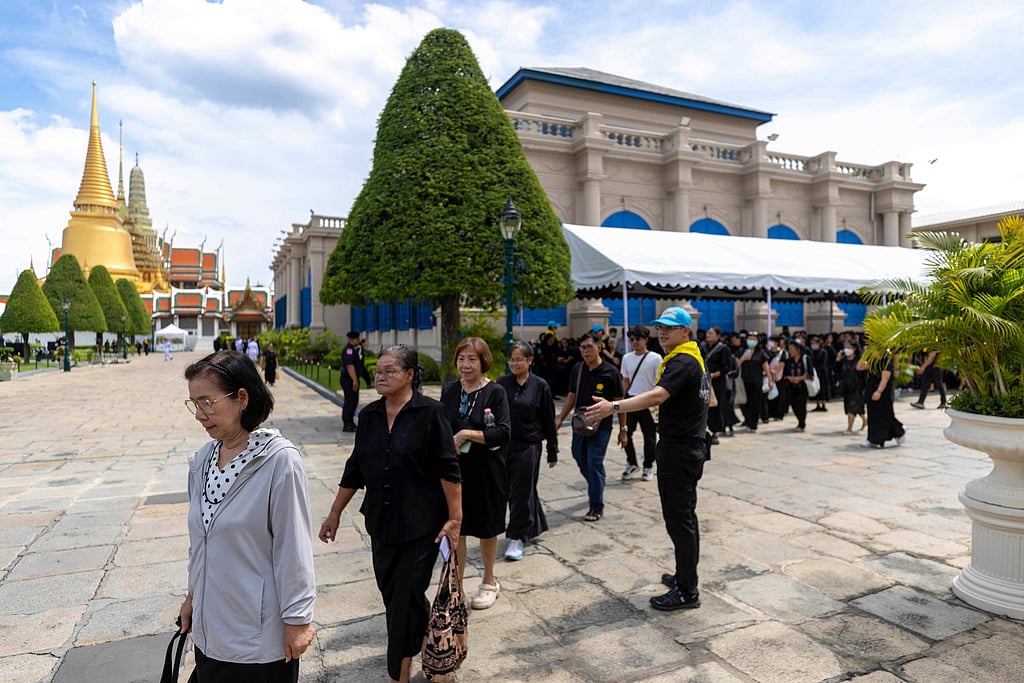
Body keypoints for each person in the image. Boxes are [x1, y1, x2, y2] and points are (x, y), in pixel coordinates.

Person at [319, 345, 462, 683]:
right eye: (378, 371)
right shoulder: (369, 415)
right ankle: (433, 644)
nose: (380, 376)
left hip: (421, 525)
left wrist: (455, 519)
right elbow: (355, 467)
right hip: (381, 523)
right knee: (394, 595)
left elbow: (448, 468)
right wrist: (334, 513)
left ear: (410, 375)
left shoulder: (431, 413)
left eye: (389, 371)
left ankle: (399, 672)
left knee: (403, 600)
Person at [179, 350, 316, 681]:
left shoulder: (279, 462)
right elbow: (201, 542)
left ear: (242, 397)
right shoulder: (204, 459)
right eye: (194, 404)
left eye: (207, 402)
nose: (199, 415)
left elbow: (293, 548)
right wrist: (192, 597)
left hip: (256, 638)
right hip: (210, 632)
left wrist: (298, 620)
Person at [584, 307, 710, 611]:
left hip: (681, 449)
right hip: (685, 446)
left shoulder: (682, 361)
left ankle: (687, 591)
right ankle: (684, 576)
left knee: (679, 520)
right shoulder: (688, 357)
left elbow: (656, 396)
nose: (662, 332)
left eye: (669, 327)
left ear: (685, 331)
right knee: (683, 517)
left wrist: (613, 407)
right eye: (660, 327)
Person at [440, 337, 510, 610]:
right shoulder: (450, 390)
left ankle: (489, 582)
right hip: (455, 471)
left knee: (486, 528)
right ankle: (456, 587)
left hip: (487, 472)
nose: (466, 365)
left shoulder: (495, 392)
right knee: (457, 528)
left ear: (483, 362)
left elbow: (503, 432)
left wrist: (467, 434)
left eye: (472, 359)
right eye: (461, 359)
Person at [497, 341, 558, 562]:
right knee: (516, 490)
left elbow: (549, 420)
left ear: (530, 361)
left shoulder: (540, 386)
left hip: (529, 446)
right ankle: (535, 524)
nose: (514, 363)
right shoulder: (502, 383)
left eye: (519, 359)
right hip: (504, 446)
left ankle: (517, 537)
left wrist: (552, 449)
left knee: (521, 492)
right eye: (511, 359)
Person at [555, 331, 626, 522]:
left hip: (601, 427)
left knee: (594, 462)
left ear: (599, 348)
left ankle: (596, 506)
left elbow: (620, 402)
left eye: (589, 347)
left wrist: (623, 430)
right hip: (580, 423)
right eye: (583, 348)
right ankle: (597, 483)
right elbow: (571, 395)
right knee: (579, 456)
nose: (586, 351)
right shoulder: (578, 369)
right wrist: (560, 418)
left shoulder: (611, 372)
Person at [620, 325, 661, 481]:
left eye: (638, 339)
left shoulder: (655, 358)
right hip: (632, 400)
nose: (635, 342)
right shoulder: (627, 358)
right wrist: (620, 400)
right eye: (632, 339)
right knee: (626, 433)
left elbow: (659, 381)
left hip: (649, 401)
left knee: (649, 436)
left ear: (645, 340)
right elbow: (625, 380)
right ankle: (631, 462)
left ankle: (648, 465)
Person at [858, 353, 906, 448]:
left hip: (883, 391)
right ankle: (873, 438)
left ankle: (879, 439)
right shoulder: (872, 361)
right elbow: (859, 367)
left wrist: (879, 391)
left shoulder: (885, 361)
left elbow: (885, 378)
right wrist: (864, 355)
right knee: (872, 414)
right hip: (871, 388)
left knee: (885, 415)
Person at [703, 326, 737, 444]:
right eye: (708, 333)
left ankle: (715, 432)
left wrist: (713, 375)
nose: (708, 335)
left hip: (718, 382)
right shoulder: (703, 347)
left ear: (718, 336)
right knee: (703, 405)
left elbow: (726, 368)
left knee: (716, 406)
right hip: (705, 380)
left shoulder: (723, 349)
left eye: (711, 333)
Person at [737, 333, 772, 432]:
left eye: (754, 339)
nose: (751, 341)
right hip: (744, 380)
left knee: (755, 403)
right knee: (745, 403)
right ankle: (747, 421)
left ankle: (753, 424)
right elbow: (736, 365)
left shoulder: (761, 352)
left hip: (757, 381)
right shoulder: (742, 351)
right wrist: (742, 359)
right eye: (750, 339)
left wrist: (770, 379)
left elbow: (766, 366)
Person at [837, 340, 866, 434]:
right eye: (845, 347)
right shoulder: (843, 360)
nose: (846, 350)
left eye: (848, 347)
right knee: (857, 409)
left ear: (854, 348)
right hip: (847, 387)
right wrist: (838, 359)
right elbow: (835, 371)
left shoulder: (859, 359)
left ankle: (849, 428)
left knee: (852, 408)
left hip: (857, 387)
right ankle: (865, 420)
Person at [782, 340, 811, 433]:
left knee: (801, 405)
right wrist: (790, 378)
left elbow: (810, 373)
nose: (790, 351)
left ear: (798, 350)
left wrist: (799, 378)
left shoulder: (805, 359)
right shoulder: (788, 361)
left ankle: (801, 424)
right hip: (791, 386)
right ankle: (800, 421)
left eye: (792, 349)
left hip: (802, 385)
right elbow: (785, 374)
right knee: (794, 405)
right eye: (789, 349)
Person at [341, 331, 361, 432]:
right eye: (357, 339)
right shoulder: (349, 350)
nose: (358, 341)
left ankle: (351, 421)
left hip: (351, 379)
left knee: (353, 401)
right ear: (352, 340)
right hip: (348, 379)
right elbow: (350, 366)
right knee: (350, 401)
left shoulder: (353, 349)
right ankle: (347, 423)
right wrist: (354, 380)